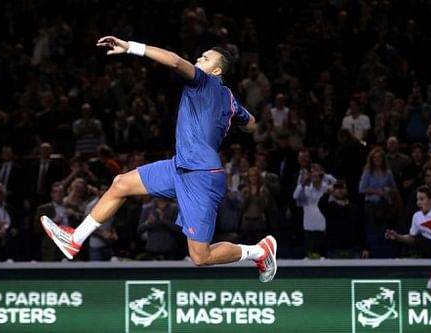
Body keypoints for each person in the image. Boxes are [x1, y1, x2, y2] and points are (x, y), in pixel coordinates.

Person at [41, 36, 277, 282]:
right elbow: (250, 124)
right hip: (180, 167)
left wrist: (130, 47)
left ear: (216, 70)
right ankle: (74, 240)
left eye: (205, 58)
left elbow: (175, 62)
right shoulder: (229, 99)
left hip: (201, 176)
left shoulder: (203, 82)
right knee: (120, 184)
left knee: (201, 256)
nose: (198, 59)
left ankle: (259, 251)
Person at [385, 186, 431, 304]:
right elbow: (412, 238)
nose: (419, 203)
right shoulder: (417, 217)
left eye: (422, 199)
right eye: (418, 199)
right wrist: (397, 237)